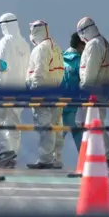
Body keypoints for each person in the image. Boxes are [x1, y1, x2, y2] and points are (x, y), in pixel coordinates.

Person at [0, 13, 31, 168]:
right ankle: (12, 155)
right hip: (20, 90)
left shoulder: (5, 42)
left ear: (5, 25)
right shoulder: (25, 44)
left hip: (5, 89)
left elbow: (2, 66)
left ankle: (5, 150)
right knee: (14, 124)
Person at [77, 17, 109, 169]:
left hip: (92, 93)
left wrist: (82, 90)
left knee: (93, 124)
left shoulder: (94, 45)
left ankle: (106, 157)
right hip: (100, 92)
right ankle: (101, 157)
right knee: (94, 124)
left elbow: (90, 74)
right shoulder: (102, 42)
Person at [26, 20, 65, 169]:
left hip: (42, 92)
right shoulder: (55, 47)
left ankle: (45, 159)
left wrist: (35, 92)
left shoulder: (41, 49)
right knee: (56, 126)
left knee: (45, 127)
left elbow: (39, 72)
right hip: (57, 91)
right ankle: (56, 158)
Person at [61, 32, 85, 152]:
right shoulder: (80, 61)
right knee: (76, 132)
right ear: (80, 45)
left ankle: (53, 157)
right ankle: (84, 157)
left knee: (62, 129)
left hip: (60, 101)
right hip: (74, 103)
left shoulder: (61, 58)